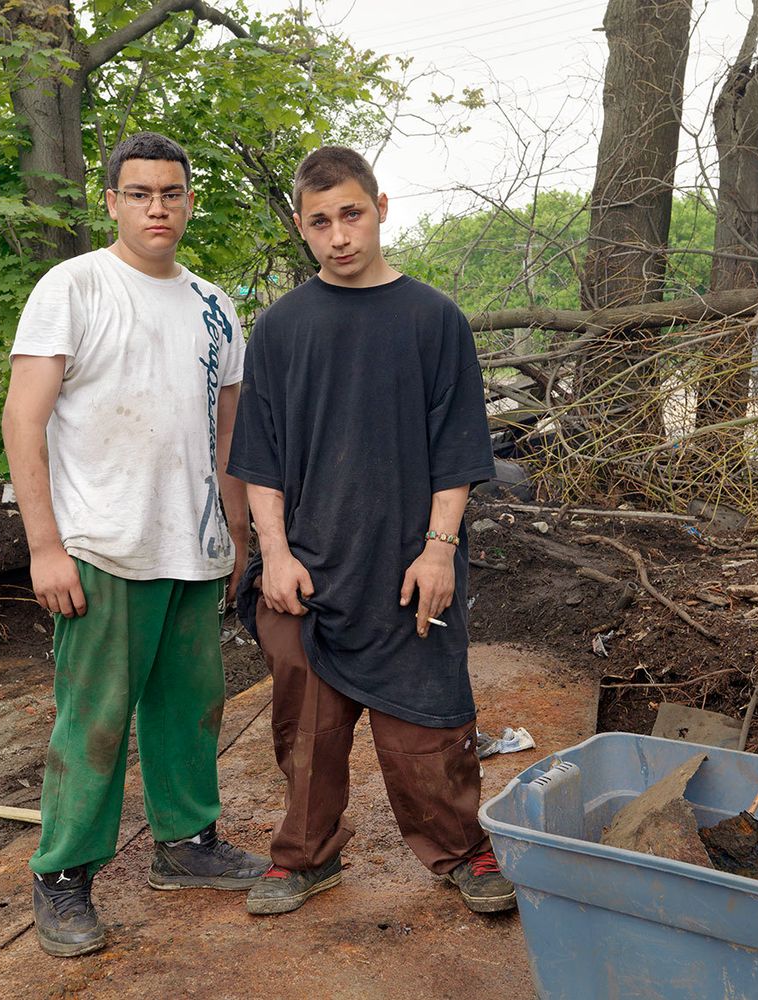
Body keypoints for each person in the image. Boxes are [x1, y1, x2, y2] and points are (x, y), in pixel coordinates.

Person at [226, 146, 515, 917]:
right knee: (307, 737)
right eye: (319, 222)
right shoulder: (282, 328)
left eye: (351, 214)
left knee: (428, 729)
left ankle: (462, 851)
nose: (339, 235)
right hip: (311, 576)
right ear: (302, 227)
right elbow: (262, 459)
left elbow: (456, 451)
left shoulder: (433, 320)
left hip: (406, 571)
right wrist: (275, 555)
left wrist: (439, 547)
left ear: (380, 208)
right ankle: (305, 858)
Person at [1, 131, 267, 958]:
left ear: (189, 201)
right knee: (97, 720)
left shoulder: (216, 305)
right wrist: (45, 547)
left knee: (192, 710)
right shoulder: (74, 286)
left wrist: (239, 535)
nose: (159, 207)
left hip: (191, 545)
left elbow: (229, 434)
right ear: (112, 201)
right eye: (141, 192)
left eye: (173, 193)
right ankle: (64, 873)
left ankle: (186, 846)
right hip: (101, 544)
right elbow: (24, 418)